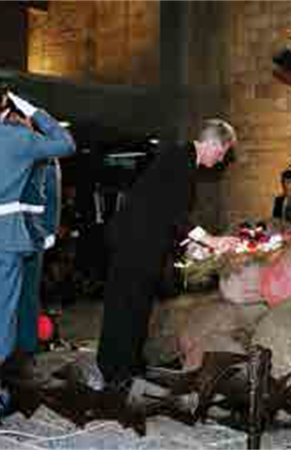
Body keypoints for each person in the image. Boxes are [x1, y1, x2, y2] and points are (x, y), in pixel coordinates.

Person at [89, 119, 240, 398]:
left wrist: (190, 245)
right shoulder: (180, 160)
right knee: (126, 305)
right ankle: (116, 372)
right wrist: (210, 240)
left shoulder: (182, 159)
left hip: (143, 242)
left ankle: (130, 365)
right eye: (222, 153)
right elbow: (173, 213)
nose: (221, 160)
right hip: (134, 242)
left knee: (138, 305)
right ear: (213, 143)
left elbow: (167, 216)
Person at [0, 90, 75, 414]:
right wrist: (34, 109)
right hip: (7, 236)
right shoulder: (17, 138)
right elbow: (66, 143)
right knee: (4, 315)